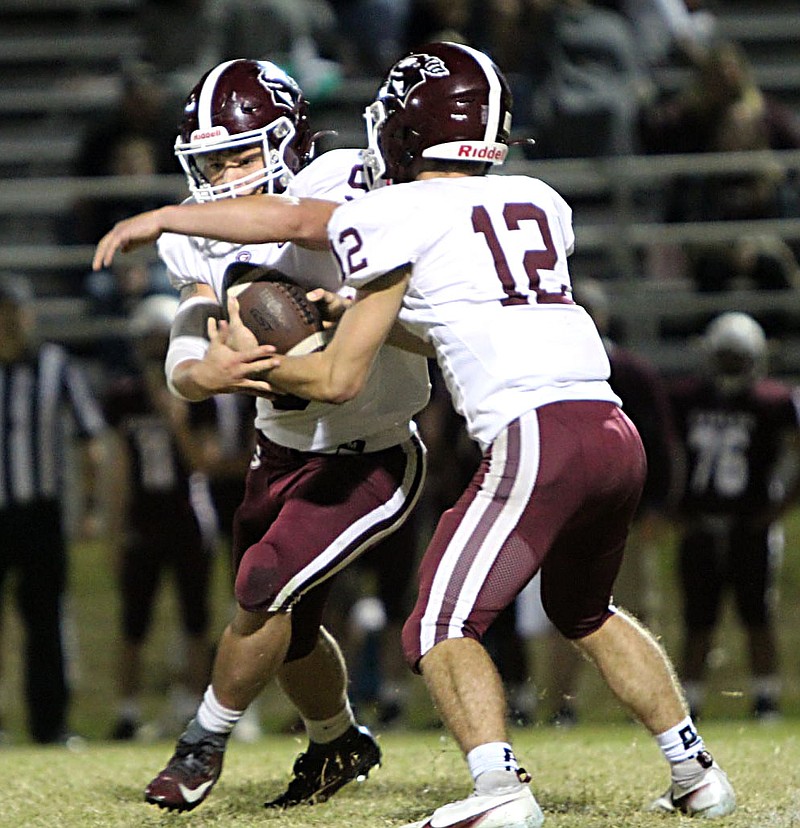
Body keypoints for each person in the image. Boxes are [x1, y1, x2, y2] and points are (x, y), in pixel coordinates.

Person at [91, 42, 735, 825]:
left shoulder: (379, 205)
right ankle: (696, 772)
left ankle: (498, 791)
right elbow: (454, 309)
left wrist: (186, 253)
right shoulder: (542, 200)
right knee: (585, 610)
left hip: (518, 436)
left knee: (435, 624)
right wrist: (337, 316)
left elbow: (333, 362)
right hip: (607, 425)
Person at [96, 58, 429, 812]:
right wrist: (202, 375)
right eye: (211, 162)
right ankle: (338, 740)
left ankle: (201, 742)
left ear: (289, 140)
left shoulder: (340, 178)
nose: (226, 176)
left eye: (242, 155)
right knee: (292, 631)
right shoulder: (199, 234)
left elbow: (297, 223)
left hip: (370, 447)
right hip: (279, 447)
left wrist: (165, 216)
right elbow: (188, 337)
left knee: (261, 587)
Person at [668, 311, 800, 722]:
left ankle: (766, 699)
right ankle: (688, 700)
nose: (730, 364)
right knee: (698, 619)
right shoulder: (686, 398)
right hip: (700, 522)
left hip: (748, 523)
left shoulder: (773, 401)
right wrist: (674, 507)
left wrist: (779, 508)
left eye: (737, 356)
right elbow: (666, 455)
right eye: (725, 356)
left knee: (756, 614)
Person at [102, 295, 217, 741]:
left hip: (187, 513)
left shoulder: (195, 389)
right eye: (147, 340)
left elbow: (202, 462)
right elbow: (118, 466)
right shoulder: (124, 394)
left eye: (159, 340)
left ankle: (192, 707)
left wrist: (176, 420)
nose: (152, 350)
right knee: (134, 619)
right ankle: (127, 712)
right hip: (144, 517)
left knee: (194, 615)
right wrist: (115, 527)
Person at [0, 273, 107, 744]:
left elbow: (91, 440)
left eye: (13, 313)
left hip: (41, 512)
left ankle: (51, 726)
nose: (7, 323)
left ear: (28, 316)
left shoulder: (55, 365)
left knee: (46, 622)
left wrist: (89, 505)